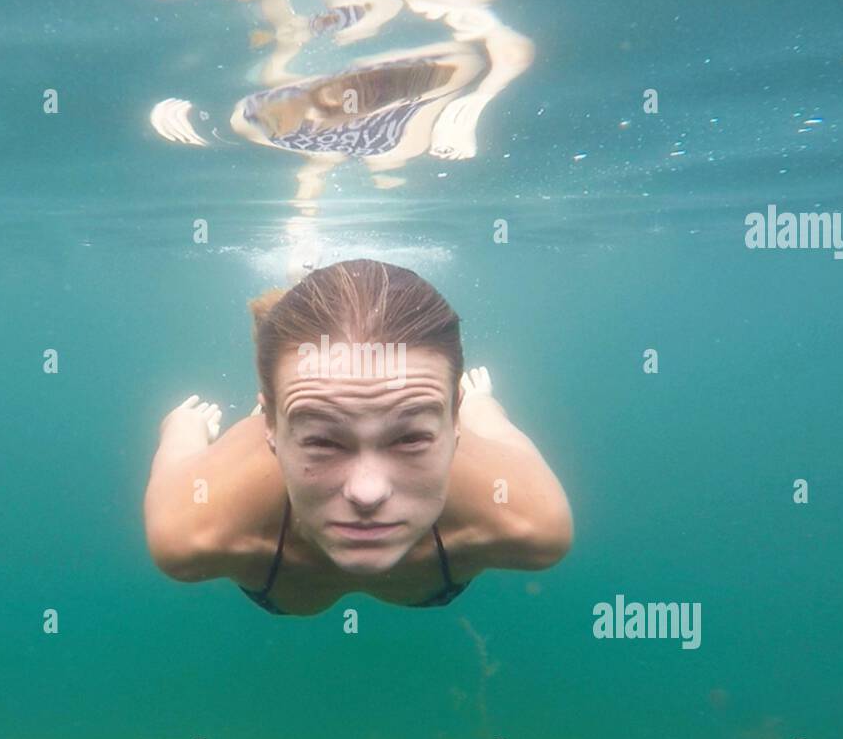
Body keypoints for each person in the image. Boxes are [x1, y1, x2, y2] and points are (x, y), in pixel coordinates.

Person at [143, 259, 573, 615]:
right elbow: (178, 455)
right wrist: (183, 426)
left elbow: (501, 438)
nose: (367, 494)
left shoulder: (530, 521)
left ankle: (472, 405)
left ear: (453, 420)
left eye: (410, 439)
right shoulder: (192, 530)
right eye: (323, 442)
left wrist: (484, 411)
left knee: (485, 412)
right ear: (268, 428)